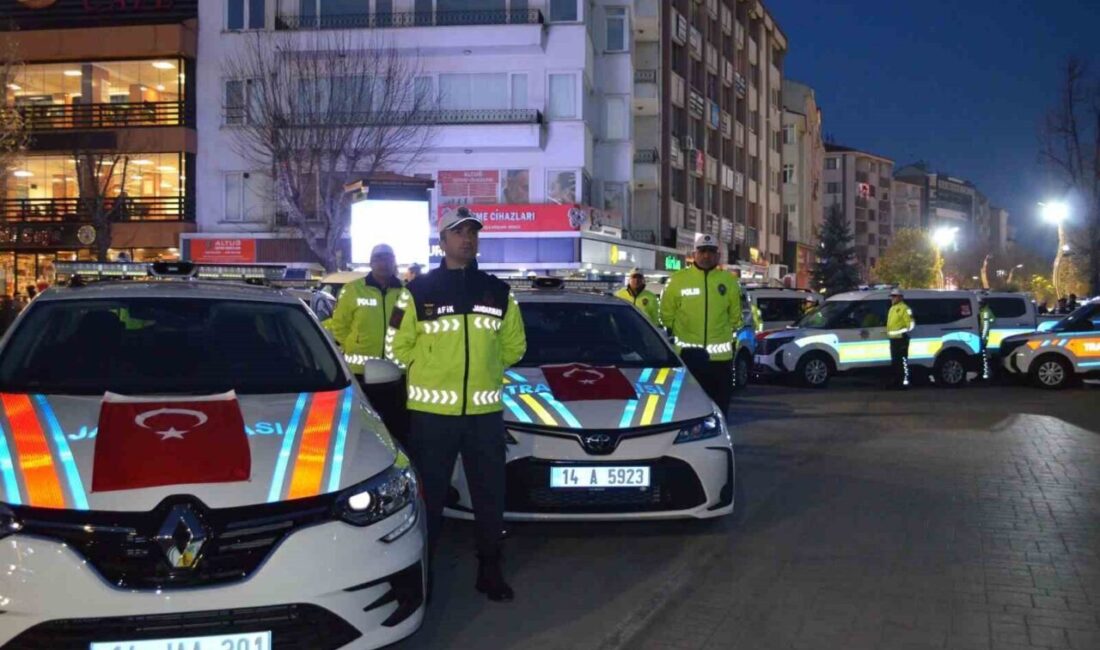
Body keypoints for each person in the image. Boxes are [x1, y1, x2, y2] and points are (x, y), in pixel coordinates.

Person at [388, 206, 526, 602]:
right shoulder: (416, 292)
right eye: (459, 232)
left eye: (473, 233)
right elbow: (396, 346)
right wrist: (434, 365)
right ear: (443, 241)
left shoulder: (498, 292)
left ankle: (490, 570)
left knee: (489, 497)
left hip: (483, 415)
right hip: (432, 417)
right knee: (429, 499)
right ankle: (423, 574)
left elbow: (516, 346)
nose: (468, 239)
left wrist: (484, 366)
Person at [330, 244, 409, 444]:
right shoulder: (353, 290)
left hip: (396, 375)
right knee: (361, 431)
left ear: (394, 262)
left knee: (397, 429)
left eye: (388, 258)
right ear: (372, 262)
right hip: (360, 374)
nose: (384, 263)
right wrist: (352, 344)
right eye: (380, 258)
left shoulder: (406, 293)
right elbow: (339, 326)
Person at [661, 233, 743, 414]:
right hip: (688, 359)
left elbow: (735, 317)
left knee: (720, 409)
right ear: (694, 253)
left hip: (720, 362)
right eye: (702, 251)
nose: (706, 255)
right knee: (687, 410)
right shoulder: (678, 280)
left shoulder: (729, 281)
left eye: (711, 251)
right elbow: (667, 314)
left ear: (718, 255)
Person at [886, 288, 915, 389]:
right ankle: (896, 382)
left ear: (900, 297)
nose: (892, 298)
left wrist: (900, 332)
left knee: (903, 362)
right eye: (891, 296)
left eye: (894, 296)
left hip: (901, 339)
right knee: (895, 362)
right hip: (893, 340)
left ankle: (904, 383)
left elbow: (911, 325)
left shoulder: (905, 308)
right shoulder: (892, 308)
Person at [979, 297, 995, 381]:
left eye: (980, 303)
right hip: (985, 336)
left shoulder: (985, 312)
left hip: (985, 337)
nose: (979, 305)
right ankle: (985, 374)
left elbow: (986, 326)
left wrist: (983, 337)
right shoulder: (984, 311)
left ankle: (986, 375)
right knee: (984, 356)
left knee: (984, 356)